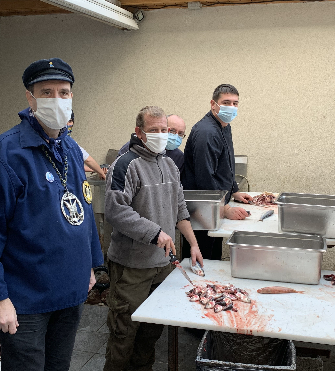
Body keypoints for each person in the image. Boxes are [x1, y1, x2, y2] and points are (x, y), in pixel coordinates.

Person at [0, 58, 103, 371]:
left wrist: (89, 266)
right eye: (47, 92)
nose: (57, 100)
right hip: (26, 297)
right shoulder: (4, 154)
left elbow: (83, 207)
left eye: (64, 93)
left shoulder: (69, 149)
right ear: (30, 98)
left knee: (59, 366)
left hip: (69, 289)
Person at [104, 106, 203, 371]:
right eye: (155, 130)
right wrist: (154, 232)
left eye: (166, 130)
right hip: (132, 268)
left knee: (150, 333)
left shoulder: (169, 164)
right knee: (124, 333)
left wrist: (193, 245)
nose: (162, 135)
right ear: (139, 132)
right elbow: (116, 211)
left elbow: (180, 208)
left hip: (162, 267)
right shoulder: (125, 164)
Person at [180, 84, 253, 261]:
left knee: (213, 257)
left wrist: (234, 190)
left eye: (235, 103)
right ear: (213, 104)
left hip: (213, 207)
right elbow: (204, 175)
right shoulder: (207, 132)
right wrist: (223, 208)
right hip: (201, 209)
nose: (232, 107)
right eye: (226, 102)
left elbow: (226, 164)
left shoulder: (224, 126)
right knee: (201, 259)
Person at [118, 114, 186, 170]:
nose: (175, 136)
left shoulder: (179, 157)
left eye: (180, 133)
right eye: (172, 131)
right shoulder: (134, 147)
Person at [67, 112, 107, 180]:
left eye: (70, 121)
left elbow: (73, 165)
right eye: (64, 121)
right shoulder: (67, 142)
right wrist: (101, 173)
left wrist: (95, 169)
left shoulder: (69, 141)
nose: (67, 124)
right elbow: (88, 160)